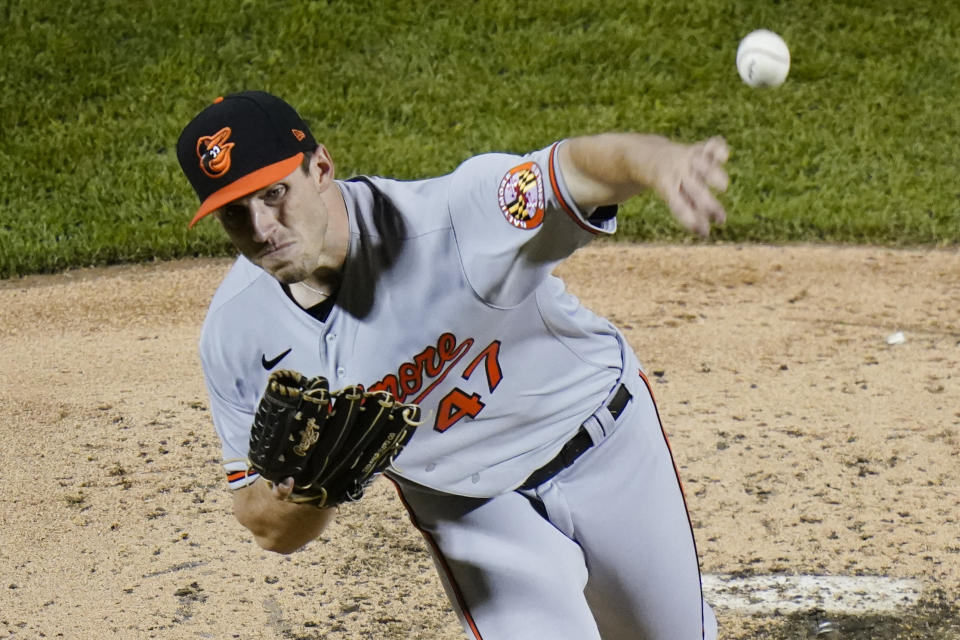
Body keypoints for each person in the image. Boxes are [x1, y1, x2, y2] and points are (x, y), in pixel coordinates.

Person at [176, 90, 730, 640]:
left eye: (274, 194)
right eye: (233, 212)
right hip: (471, 510)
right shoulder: (236, 332)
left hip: (604, 447)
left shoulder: (455, 218)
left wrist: (657, 161)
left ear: (320, 167)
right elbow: (265, 523)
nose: (262, 227)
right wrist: (312, 491)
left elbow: (576, 167)